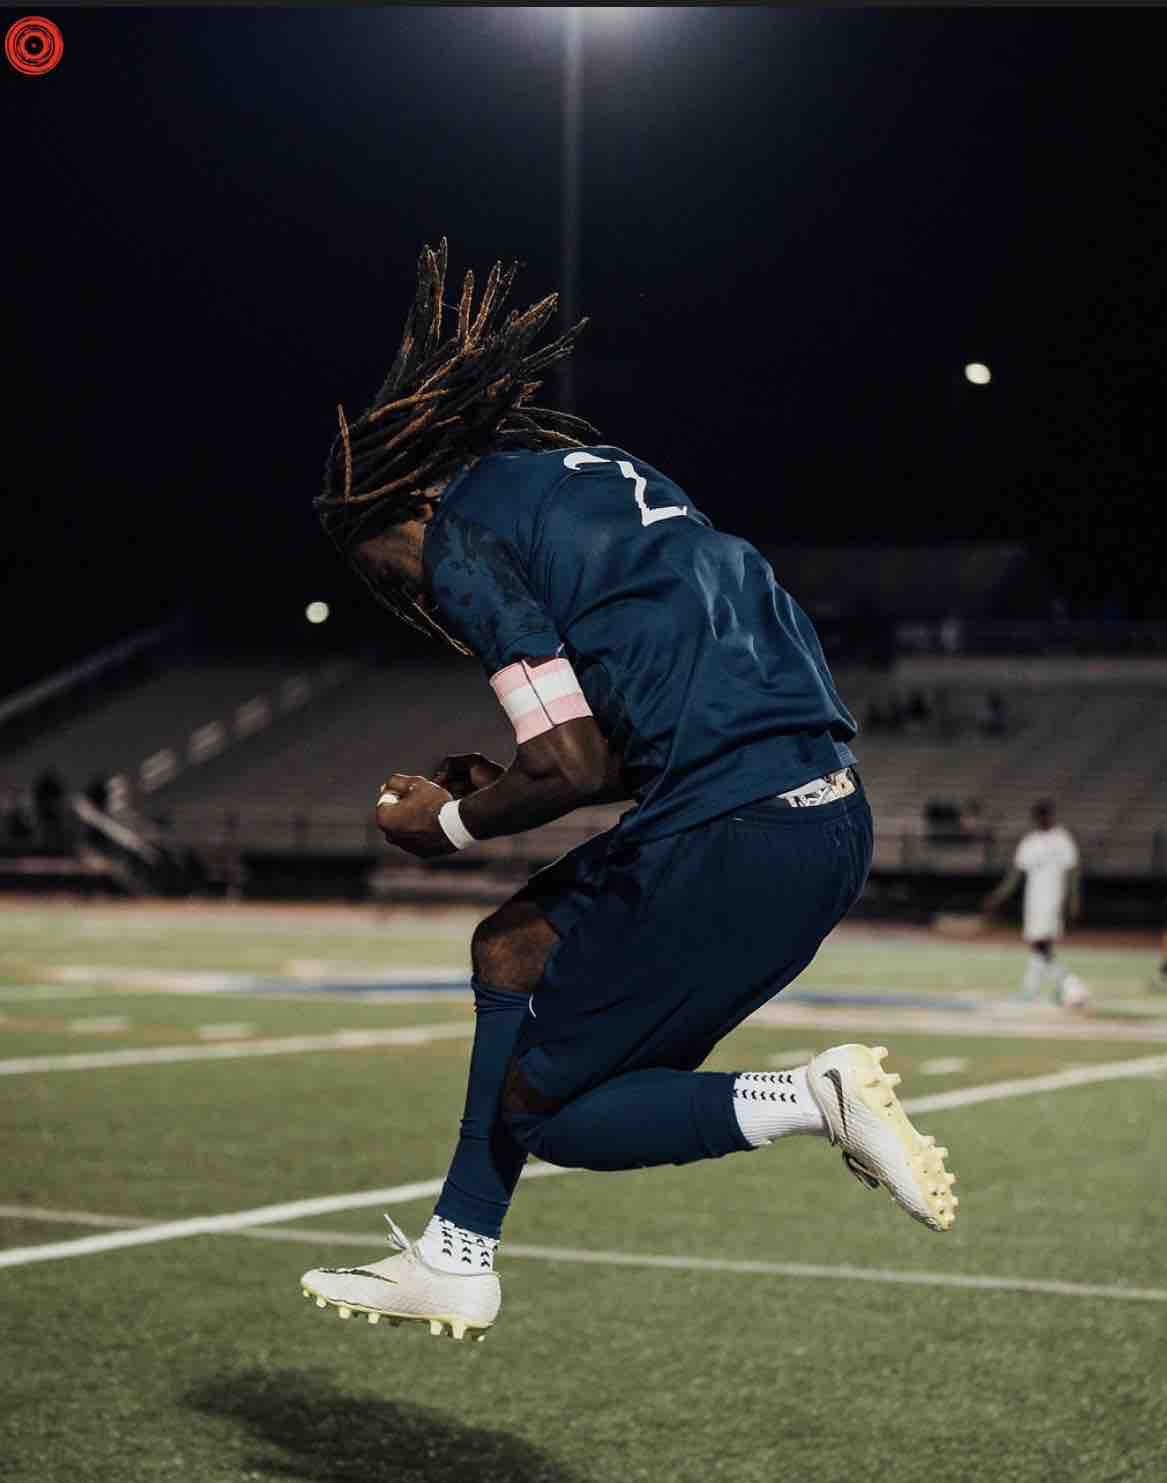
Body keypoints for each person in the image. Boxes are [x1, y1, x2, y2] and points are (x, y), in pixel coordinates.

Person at [298, 241, 958, 1342]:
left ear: (408, 495)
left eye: (384, 567)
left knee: (550, 1115)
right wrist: (510, 778)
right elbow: (623, 739)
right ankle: (456, 1254)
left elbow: (567, 764)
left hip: (732, 834)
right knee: (512, 945)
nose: (405, 592)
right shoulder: (595, 474)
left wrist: (444, 823)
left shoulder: (460, 536)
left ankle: (812, 1097)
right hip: (822, 819)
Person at [983, 799, 1085, 1004]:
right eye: (1040, 816)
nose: (1043, 819)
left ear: (1051, 816)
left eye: (1046, 815)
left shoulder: (1062, 839)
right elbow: (1016, 874)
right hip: (1033, 901)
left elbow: (1073, 872)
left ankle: (1068, 983)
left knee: (1040, 945)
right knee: (1038, 946)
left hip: (1053, 899)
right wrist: (999, 895)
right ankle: (1033, 990)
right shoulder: (1029, 842)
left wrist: (1074, 900)